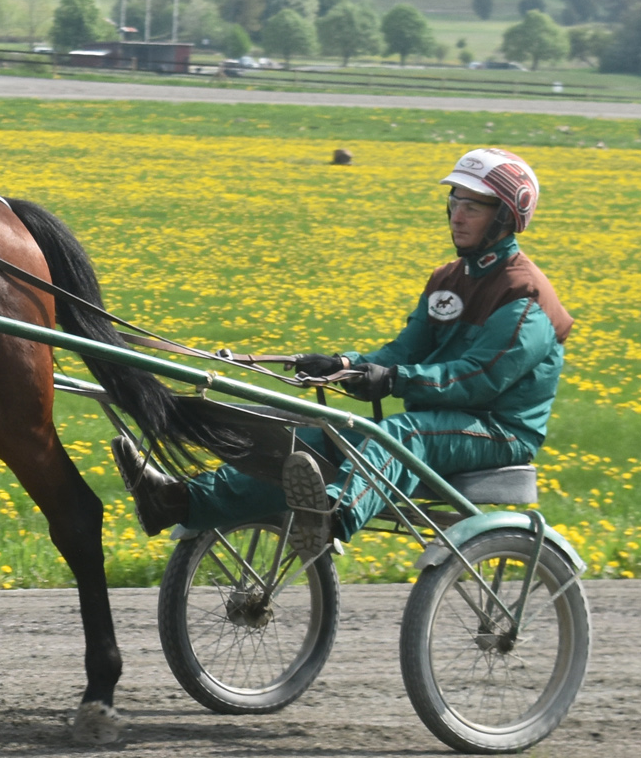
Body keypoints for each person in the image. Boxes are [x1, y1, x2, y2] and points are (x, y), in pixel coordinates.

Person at [118, 147, 572, 558]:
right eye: (454, 202)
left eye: (472, 206)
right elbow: (403, 349)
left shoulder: (525, 294)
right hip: (440, 420)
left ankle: (332, 515)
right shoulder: (448, 278)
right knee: (316, 439)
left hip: (499, 429)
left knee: (402, 435)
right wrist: (346, 365)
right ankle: (181, 501)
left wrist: (393, 381)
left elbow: (478, 379)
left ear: (506, 216)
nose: (457, 215)